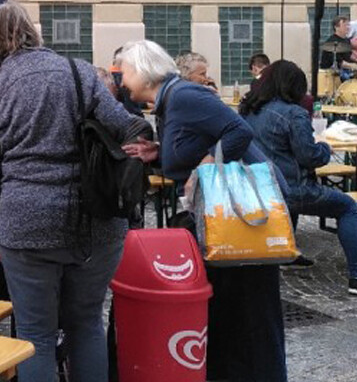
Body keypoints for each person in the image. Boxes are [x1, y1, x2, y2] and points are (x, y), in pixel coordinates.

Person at [0, 3, 143, 382]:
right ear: (34, 31)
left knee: (36, 334)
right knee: (86, 323)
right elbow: (128, 128)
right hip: (96, 223)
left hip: (25, 226)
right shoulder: (79, 73)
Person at [117, 39, 287, 382]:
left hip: (239, 215)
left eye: (126, 73)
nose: (122, 82)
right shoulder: (170, 102)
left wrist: (208, 163)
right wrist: (160, 152)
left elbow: (239, 131)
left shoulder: (183, 96)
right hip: (220, 217)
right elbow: (190, 146)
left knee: (248, 307)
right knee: (232, 306)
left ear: (143, 71)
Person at [240, 60, 357, 295]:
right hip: (293, 189)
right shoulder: (293, 113)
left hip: (260, 187)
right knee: (348, 207)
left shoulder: (248, 110)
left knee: (288, 203)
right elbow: (309, 156)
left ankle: (287, 254)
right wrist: (324, 147)